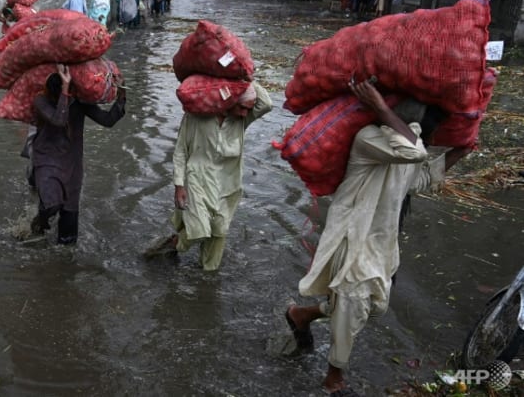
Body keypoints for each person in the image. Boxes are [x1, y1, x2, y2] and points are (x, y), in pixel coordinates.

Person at [284, 79, 472, 396]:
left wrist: (460, 152)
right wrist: (381, 108)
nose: (418, 131)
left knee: (369, 306)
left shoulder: (402, 150)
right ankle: (334, 379)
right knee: (354, 302)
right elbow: (413, 152)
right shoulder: (369, 138)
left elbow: (421, 178)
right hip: (354, 236)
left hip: (382, 240)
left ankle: (300, 314)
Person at [144, 83, 273, 271]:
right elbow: (180, 150)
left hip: (228, 182)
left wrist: (246, 78)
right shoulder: (197, 116)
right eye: (242, 108)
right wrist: (179, 185)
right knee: (199, 231)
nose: (246, 113)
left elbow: (267, 104)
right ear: (229, 102)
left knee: (219, 232)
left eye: (249, 109)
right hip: (197, 178)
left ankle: (207, 276)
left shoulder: (241, 120)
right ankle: (170, 244)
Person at [30, 64, 126, 245]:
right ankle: (38, 223)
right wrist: (65, 88)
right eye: (62, 88)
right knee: (51, 205)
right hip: (47, 159)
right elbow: (59, 120)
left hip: (72, 164)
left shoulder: (80, 103)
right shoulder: (40, 101)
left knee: (68, 237)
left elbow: (107, 120)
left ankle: (64, 269)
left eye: (69, 88)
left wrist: (121, 93)